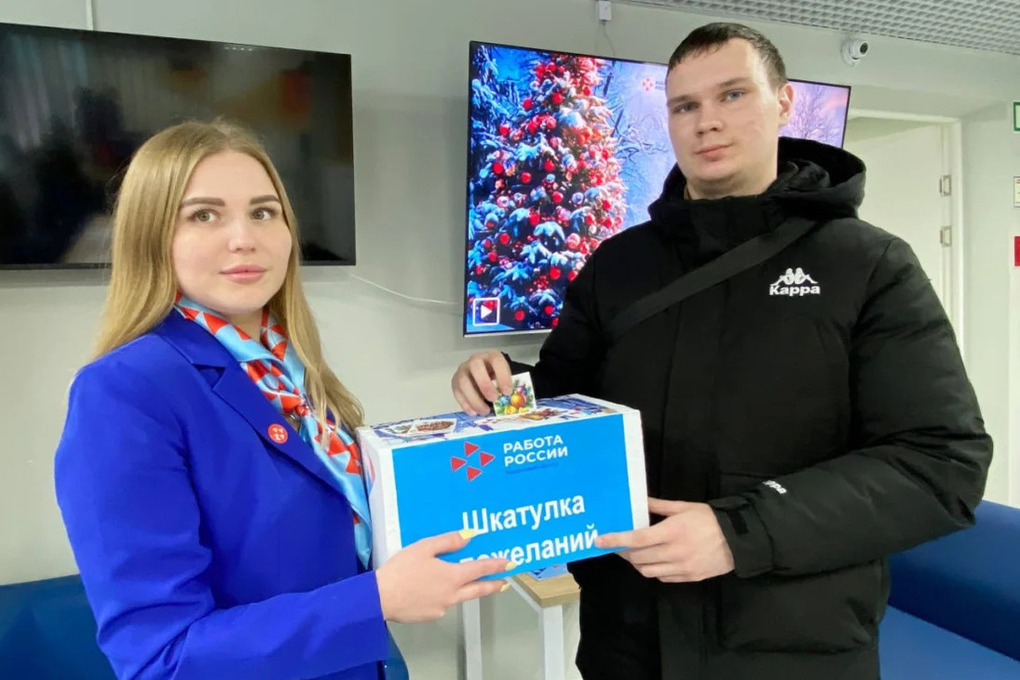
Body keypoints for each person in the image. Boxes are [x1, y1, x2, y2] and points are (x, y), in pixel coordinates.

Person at [451, 22, 991, 680]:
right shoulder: (617, 266)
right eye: (685, 105)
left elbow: (941, 464)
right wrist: (503, 386)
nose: (706, 121)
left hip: (794, 652)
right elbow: (565, 401)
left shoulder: (869, 265)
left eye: (732, 95)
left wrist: (743, 531)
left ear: (783, 103)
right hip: (628, 642)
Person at [54, 120, 510, 680]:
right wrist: (376, 601)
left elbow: (337, 536)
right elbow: (162, 658)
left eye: (263, 212)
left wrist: (541, 507)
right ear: (152, 236)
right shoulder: (125, 391)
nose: (244, 238)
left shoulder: (290, 370)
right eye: (204, 215)